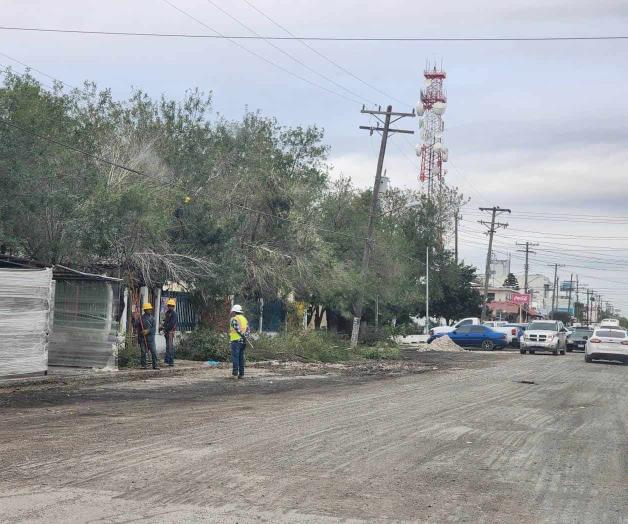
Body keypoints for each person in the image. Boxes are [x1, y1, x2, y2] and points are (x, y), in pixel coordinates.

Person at [229, 304, 250, 379]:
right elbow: (248, 330)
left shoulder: (234, 319)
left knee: (235, 358)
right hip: (243, 342)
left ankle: (235, 374)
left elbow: (237, 329)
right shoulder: (244, 319)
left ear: (235, 311)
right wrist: (246, 337)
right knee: (241, 358)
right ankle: (241, 374)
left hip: (235, 341)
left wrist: (242, 335)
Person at [137, 302, 159, 370]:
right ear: (145, 310)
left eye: (150, 309)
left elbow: (154, 329)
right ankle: (143, 365)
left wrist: (147, 331)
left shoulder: (152, 319)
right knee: (143, 352)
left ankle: (155, 365)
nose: (150, 310)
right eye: (148, 309)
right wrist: (136, 319)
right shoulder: (141, 318)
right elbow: (136, 326)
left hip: (151, 339)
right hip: (142, 339)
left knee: (154, 352)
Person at [161, 298, 178, 367]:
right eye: (169, 305)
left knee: (170, 347)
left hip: (170, 332)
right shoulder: (167, 313)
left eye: (171, 306)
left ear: (173, 307)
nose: (170, 307)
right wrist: (162, 326)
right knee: (168, 347)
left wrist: (165, 328)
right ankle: (167, 360)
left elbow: (172, 324)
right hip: (166, 332)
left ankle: (171, 361)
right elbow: (165, 321)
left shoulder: (174, 314)